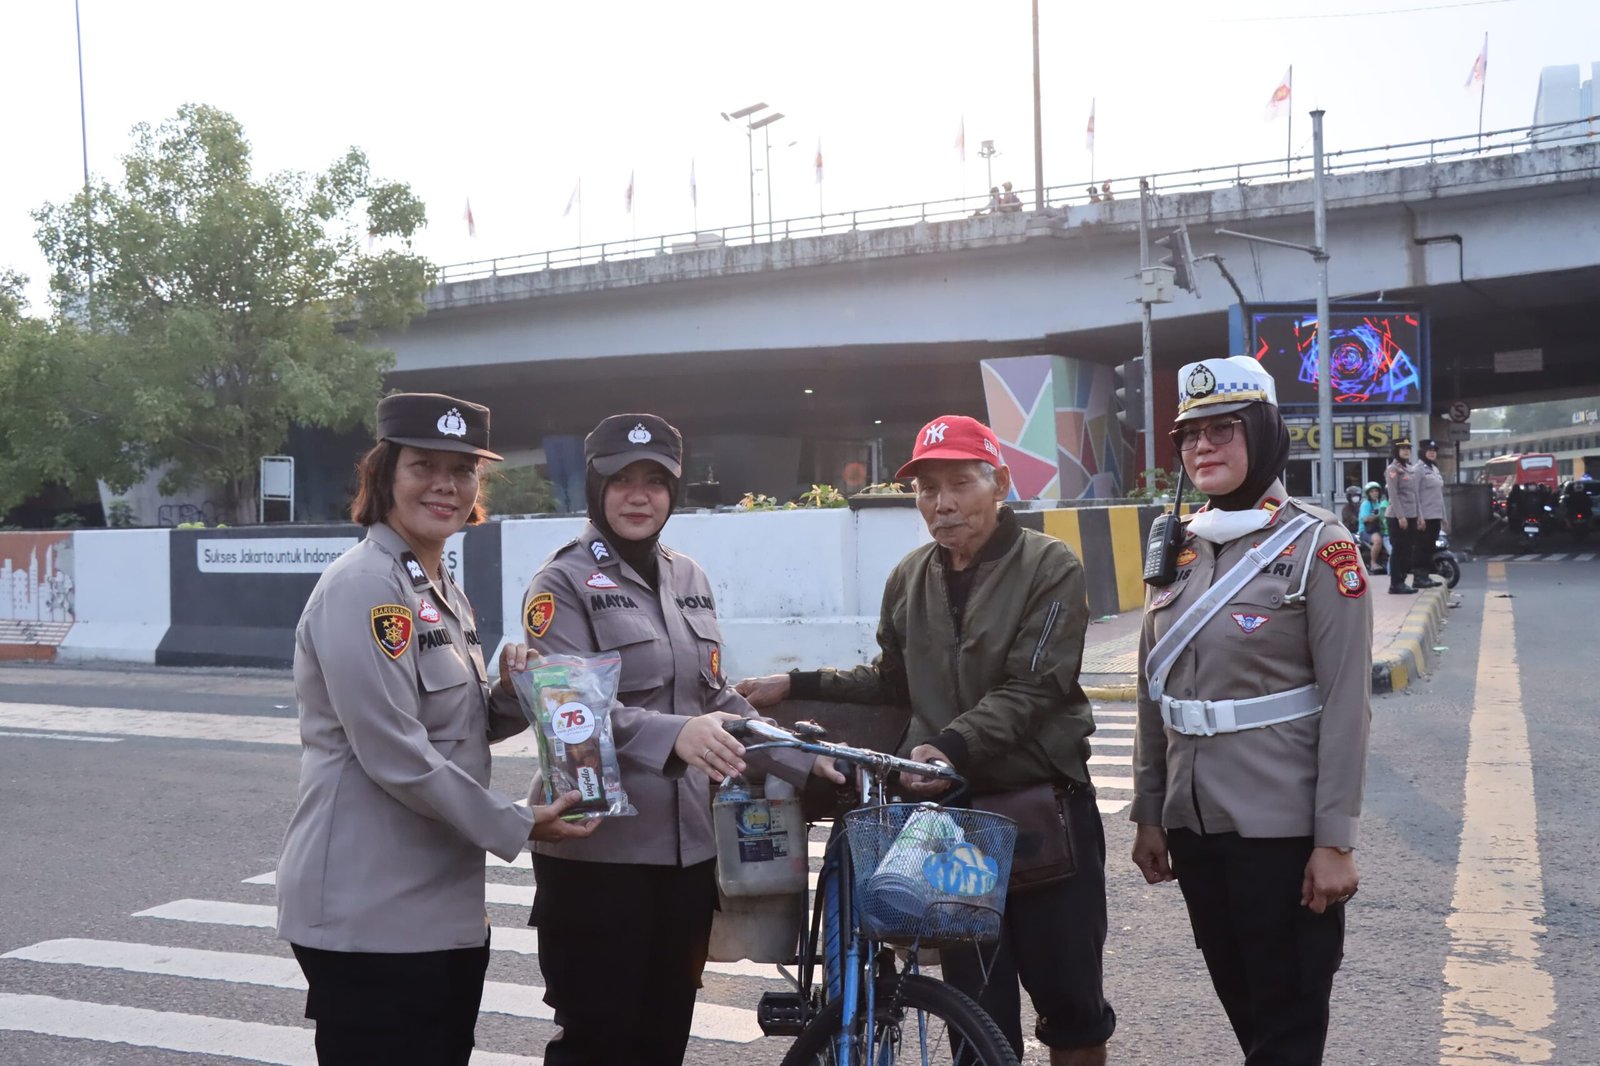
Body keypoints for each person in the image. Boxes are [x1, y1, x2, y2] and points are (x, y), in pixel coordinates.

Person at [739, 414, 1115, 1066]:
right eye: (926, 489)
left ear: (998, 482)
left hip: (1041, 810)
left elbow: (1034, 687)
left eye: (959, 484)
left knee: (1072, 1010)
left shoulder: (1050, 566)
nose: (941, 504)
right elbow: (890, 681)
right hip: (951, 826)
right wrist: (793, 680)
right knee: (974, 1009)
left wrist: (948, 747)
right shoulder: (909, 577)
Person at [277, 392, 599, 1066]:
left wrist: (514, 692)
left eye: (463, 470)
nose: (446, 486)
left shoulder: (434, 586)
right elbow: (394, 751)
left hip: (440, 910)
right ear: (384, 474)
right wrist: (518, 822)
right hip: (370, 914)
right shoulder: (365, 586)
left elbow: (461, 724)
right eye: (425, 466)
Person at [521, 413, 840, 1066]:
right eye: (621, 481)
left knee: (663, 1040)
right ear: (594, 488)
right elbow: (569, 716)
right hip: (598, 861)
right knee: (597, 1043)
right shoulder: (560, 584)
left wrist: (803, 760)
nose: (639, 496)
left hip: (687, 861)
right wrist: (677, 736)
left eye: (655, 482)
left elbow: (716, 699)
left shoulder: (688, 576)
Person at [1130, 356, 1372, 1066]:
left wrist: (1336, 840)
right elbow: (1156, 689)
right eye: (1190, 434)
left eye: (1224, 429)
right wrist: (1151, 811)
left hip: (1282, 833)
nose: (1203, 446)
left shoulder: (1317, 545)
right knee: (1249, 1019)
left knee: (1287, 1029)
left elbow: (1347, 704)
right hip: (1196, 827)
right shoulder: (1177, 547)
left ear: (1264, 434)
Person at [1384, 439, 1421, 594]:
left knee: (1408, 551)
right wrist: (1401, 517)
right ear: (1396, 451)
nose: (1406, 451)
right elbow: (1393, 495)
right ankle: (1395, 584)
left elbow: (1414, 494)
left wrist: (1420, 516)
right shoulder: (1392, 469)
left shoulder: (1409, 469)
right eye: (1402, 448)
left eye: (1408, 448)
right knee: (1399, 550)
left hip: (1411, 515)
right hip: (1397, 517)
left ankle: (1403, 581)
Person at [1414, 440, 1446, 587]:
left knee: (1430, 547)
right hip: (1425, 516)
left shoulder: (1434, 468)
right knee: (1422, 547)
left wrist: (1443, 517)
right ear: (1423, 452)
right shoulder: (1418, 469)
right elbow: (1415, 495)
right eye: (1429, 450)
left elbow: (1439, 495)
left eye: (1434, 450)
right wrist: (1419, 517)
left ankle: (1426, 576)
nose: (1432, 452)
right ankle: (1419, 577)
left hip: (1435, 516)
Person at [1358, 482, 1388, 574]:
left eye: (1376, 491)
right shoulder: (1366, 504)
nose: (1375, 493)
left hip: (1379, 528)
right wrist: (1379, 515)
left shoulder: (1379, 504)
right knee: (1378, 541)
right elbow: (1366, 519)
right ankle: (1373, 563)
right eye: (1372, 492)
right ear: (1368, 494)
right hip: (1366, 530)